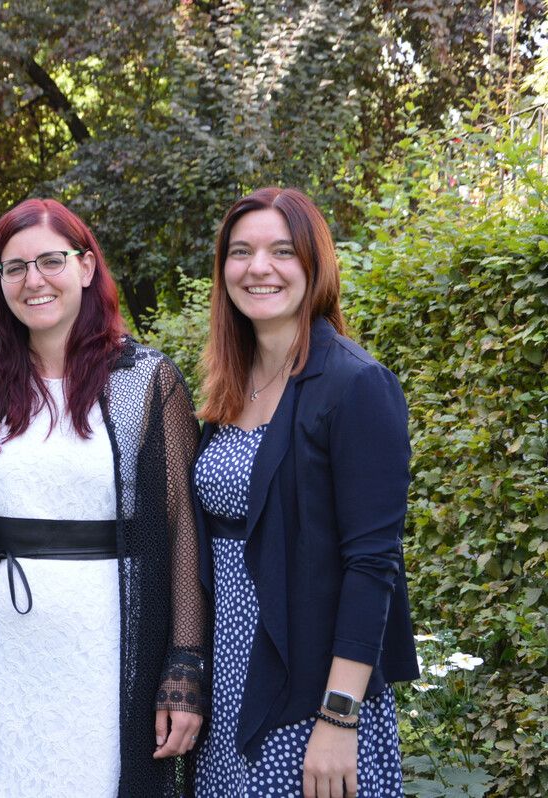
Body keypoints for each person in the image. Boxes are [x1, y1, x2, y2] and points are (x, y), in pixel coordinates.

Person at [0, 198, 207, 797]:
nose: (33, 281)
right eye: (14, 267)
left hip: (107, 646)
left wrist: (184, 664)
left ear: (86, 267)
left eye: (50, 261)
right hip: (3, 649)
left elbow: (184, 530)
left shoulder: (145, 382)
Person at [190, 187, 418, 797]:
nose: (258, 267)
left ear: (314, 265)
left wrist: (339, 717)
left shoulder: (355, 385)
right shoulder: (231, 388)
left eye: (281, 250)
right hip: (232, 676)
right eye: (240, 252)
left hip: (310, 694)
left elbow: (372, 565)